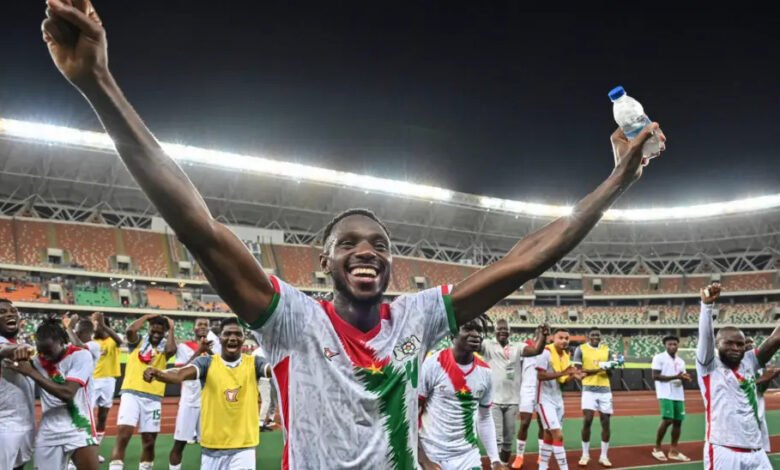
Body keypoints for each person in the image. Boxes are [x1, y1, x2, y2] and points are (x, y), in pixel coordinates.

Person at [40, 1, 664, 465]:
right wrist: (100, 84)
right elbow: (198, 228)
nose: (367, 250)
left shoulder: (416, 319)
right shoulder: (291, 322)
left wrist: (616, 183)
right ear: (324, 263)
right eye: (349, 243)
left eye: (380, 245)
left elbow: (528, 259)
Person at [143, 317, 272, 470]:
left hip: (244, 447)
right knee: (179, 444)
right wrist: (158, 373)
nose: (232, 338)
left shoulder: (255, 363)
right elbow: (180, 374)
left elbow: (274, 370)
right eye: (227, 334)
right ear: (220, 338)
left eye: (238, 334)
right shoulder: (206, 363)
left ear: (244, 338)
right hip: (212, 447)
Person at [697, 283, 780, 469]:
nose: (736, 348)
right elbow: (706, 338)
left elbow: (775, 339)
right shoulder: (708, 366)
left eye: (740, 344)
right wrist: (707, 307)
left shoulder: (750, 361)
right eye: (730, 343)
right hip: (723, 450)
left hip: (756, 451)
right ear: (718, 345)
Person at [6, 318, 99, 469]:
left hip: (79, 427)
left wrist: (31, 372)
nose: (44, 356)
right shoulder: (36, 360)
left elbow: (68, 393)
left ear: (62, 341)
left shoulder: (81, 356)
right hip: (48, 431)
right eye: (40, 351)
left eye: (48, 351)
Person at [418, 318, 503, 470]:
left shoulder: (486, 373)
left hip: (466, 455)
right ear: (452, 335)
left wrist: (495, 460)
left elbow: (484, 417)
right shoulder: (433, 364)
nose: (475, 334)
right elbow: (411, 414)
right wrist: (423, 459)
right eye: (468, 328)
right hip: (431, 452)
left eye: (479, 330)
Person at [109, 315, 177, 470]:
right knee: (123, 436)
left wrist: (171, 328)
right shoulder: (138, 342)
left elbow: (172, 350)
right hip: (131, 394)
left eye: (161, 330)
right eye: (153, 328)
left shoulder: (165, 347)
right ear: (149, 328)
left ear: (165, 332)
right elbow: (130, 330)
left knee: (149, 442)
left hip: (153, 398)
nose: (156, 333)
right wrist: (147, 317)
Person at [480, 320, 548, 465]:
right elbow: (470, 344)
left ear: (510, 331)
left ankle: (503, 465)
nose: (503, 331)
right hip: (493, 400)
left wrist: (543, 336)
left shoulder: (517, 347)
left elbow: (536, 350)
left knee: (508, 440)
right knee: (496, 438)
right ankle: (496, 466)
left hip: (512, 400)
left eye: (505, 329)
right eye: (500, 328)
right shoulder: (487, 345)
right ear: (495, 331)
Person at [536, 329, 584, 470]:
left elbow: (563, 381)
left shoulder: (565, 355)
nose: (564, 341)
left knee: (549, 435)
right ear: (553, 338)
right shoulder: (545, 352)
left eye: (567, 338)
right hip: (544, 399)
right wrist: (565, 372)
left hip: (557, 398)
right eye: (560, 338)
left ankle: (543, 467)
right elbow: (541, 376)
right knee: (558, 435)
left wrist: (574, 376)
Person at [169, 318, 213, 470]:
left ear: (209, 329)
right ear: (194, 328)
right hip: (189, 402)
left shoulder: (215, 347)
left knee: (211, 445)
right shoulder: (184, 347)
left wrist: (209, 350)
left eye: (205, 325)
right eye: (199, 324)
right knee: (179, 443)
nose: (202, 327)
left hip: (209, 403)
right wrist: (199, 351)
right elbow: (182, 371)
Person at [0, 299, 36, 470]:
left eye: (13, 311)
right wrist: (18, 349)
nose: (9, 314)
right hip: (5, 426)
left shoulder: (16, 343)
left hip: (23, 423)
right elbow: (3, 350)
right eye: (2, 312)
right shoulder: (8, 345)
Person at [572, 327, 613, 467]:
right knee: (587, 420)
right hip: (589, 389)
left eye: (598, 335)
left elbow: (611, 372)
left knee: (606, 422)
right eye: (593, 335)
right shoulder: (581, 349)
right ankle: (585, 454)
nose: (595, 337)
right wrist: (598, 370)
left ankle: (604, 456)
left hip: (605, 389)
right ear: (588, 336)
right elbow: (578, 371)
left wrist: (611, 367)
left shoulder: (607, 349)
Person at [650, 334, 691, 462]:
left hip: (678, 394)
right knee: (668, 420)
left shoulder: (681, 361)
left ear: (678, 345)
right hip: (665, 393)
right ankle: (657, 448)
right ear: (665, 345)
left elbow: (682, 376)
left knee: (678, 421)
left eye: (675, 344)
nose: (673, 346)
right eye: (670, 344)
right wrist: (676, 377)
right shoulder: (659, 358)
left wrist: (686, 379)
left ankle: (673, 450)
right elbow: (655, 376)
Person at [511, 339, 545, 470]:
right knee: (524, 424)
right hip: (527, 389)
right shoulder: (525, 347)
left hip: (542, 390)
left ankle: (542, 456)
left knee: (543, 425)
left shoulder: (547, 351)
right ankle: (519, 456)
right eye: (539, 334)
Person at [745, 337, 779, 453]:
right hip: (744, 400)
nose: (750, 345)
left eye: (752, 343)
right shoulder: (739, 364)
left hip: (757, 398)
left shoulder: (760, 365)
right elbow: (738, 384)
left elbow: (761, 389)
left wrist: (768, 379)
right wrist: (763, 378)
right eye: (747, 343)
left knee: (760, 422)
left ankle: (762, 449)